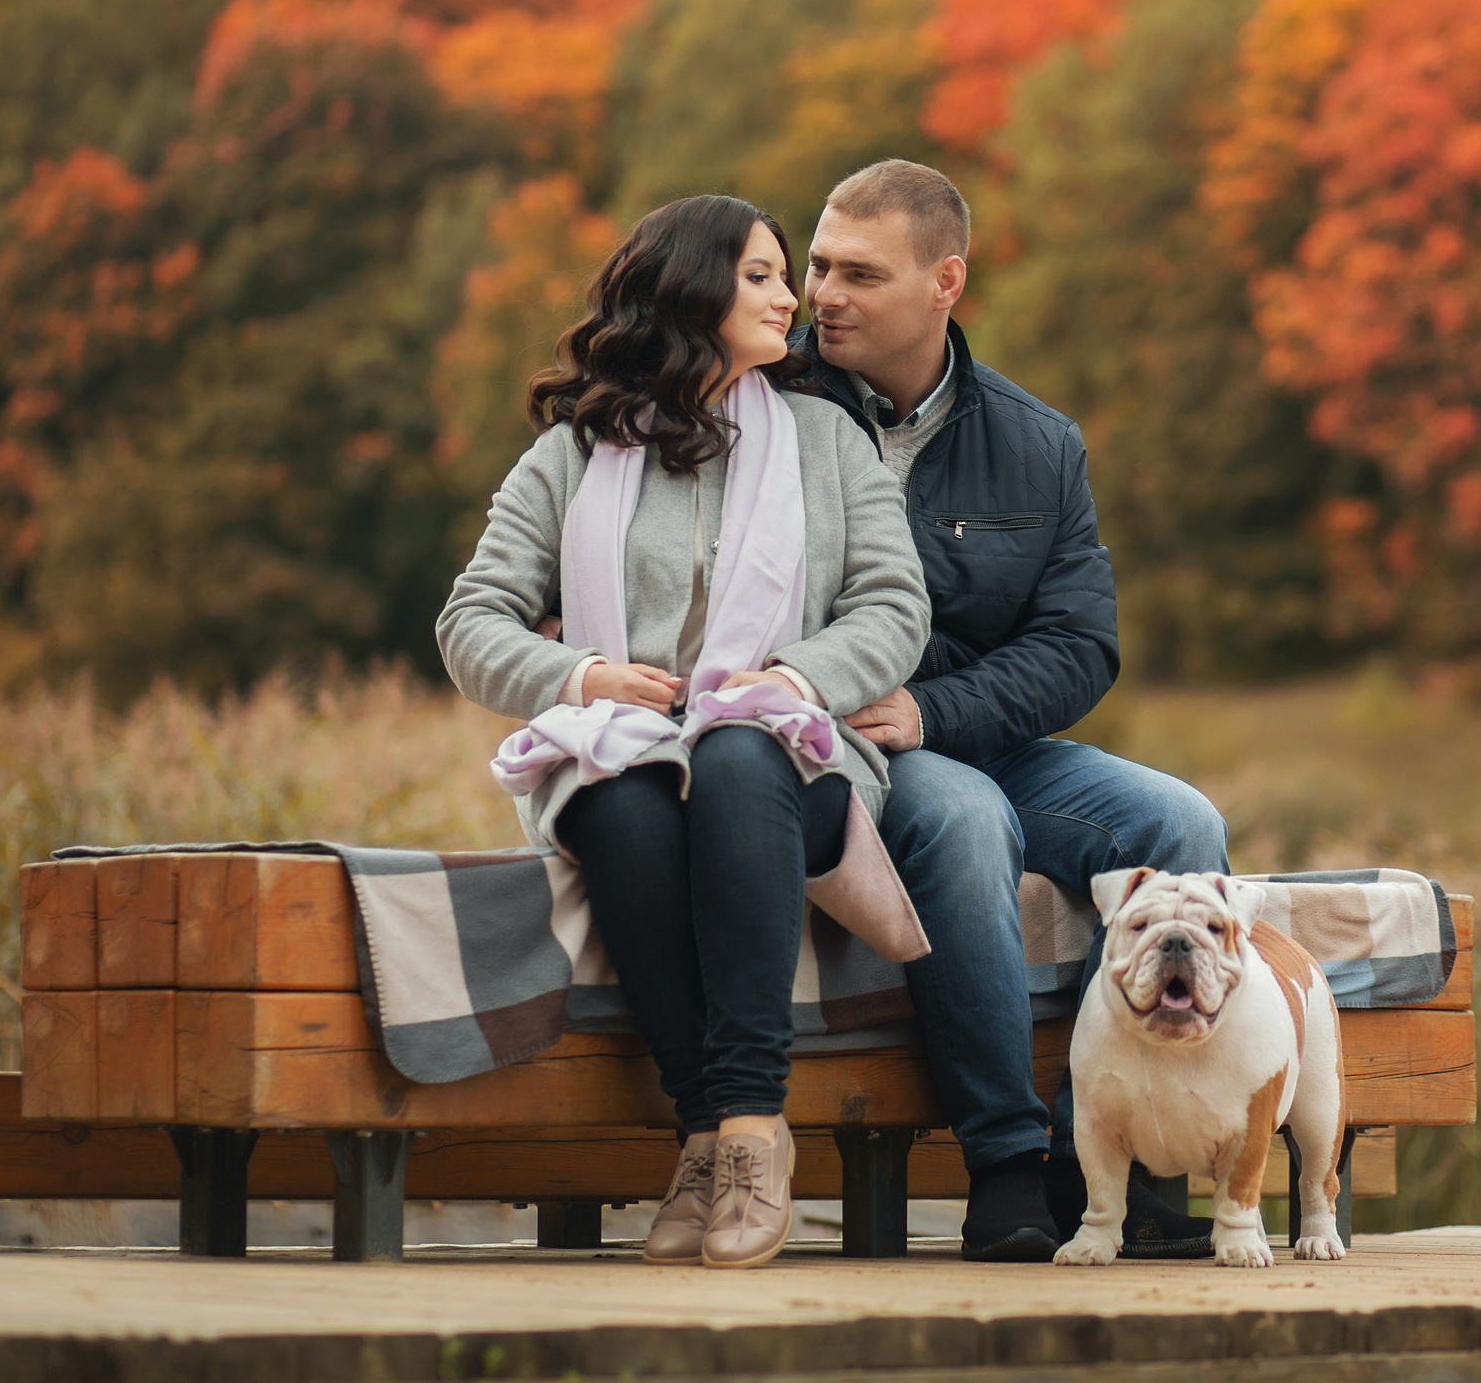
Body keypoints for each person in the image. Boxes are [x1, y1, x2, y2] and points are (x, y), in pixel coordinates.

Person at [438, 194, 931, 1269]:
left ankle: (754, 1127)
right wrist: (582, 675)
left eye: (782, 275)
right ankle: (700, 1135)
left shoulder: (824, 438)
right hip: (632, 754)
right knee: (616, 794)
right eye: (759, 276)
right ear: (691, 291)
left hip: (791, 759)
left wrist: (791, 678)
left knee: (739, 751)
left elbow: (896, 607)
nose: (788, 296)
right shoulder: (574, 455)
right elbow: (467, 621)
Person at [791, 159, 1231, 1262]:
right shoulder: (767, 415)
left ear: (946, 281)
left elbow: (1082, 645)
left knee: (1178, 823)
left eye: (857, 273)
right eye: (815, 266)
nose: (821, 295)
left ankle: (1120, 1175)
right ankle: (1002, 1163)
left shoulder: (1039, 443)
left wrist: (937, 712)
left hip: (967, 731)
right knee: (962, 822)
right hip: (832, 743)